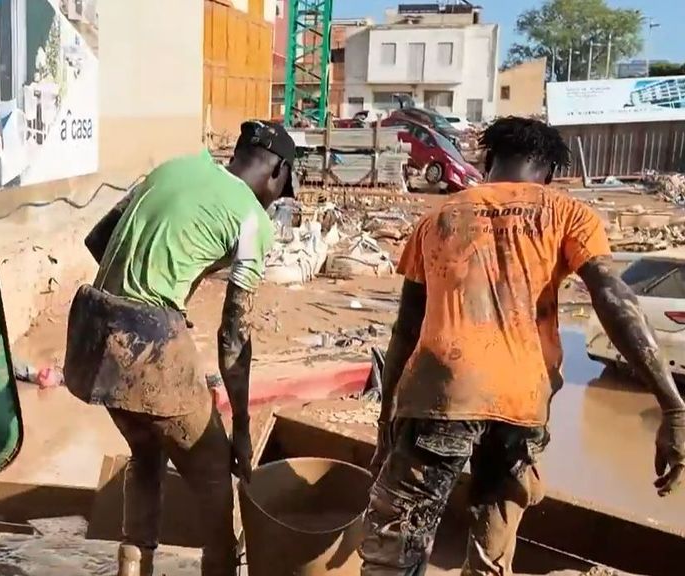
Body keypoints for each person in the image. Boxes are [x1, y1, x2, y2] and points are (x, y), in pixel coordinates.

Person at [360, 116, 685, 575]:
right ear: (549, 172)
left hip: (441, 394)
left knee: (399, 542)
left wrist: (385, 416)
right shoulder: (568, 213)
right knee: (493, 539)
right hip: (523, 401)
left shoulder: (437, 218)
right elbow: (613, 298)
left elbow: (405, 329)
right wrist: (671, 405)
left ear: (487, 161)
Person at [64, 120, 296, 576]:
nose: (279, 198)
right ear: (277, 172)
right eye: (285, 188)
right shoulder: (252, 218)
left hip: (92, 336)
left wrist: (155, 276)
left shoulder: (173, 169)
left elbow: (99, 240)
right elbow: (233, 338)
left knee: (148, 453)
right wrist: (243, 429)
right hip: (149, 340)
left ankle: (133, 566)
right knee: (212, 471)